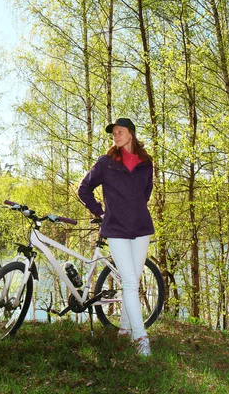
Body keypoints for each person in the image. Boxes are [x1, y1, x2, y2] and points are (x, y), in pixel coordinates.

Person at [78, 117, 155, 356]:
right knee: (130, 282)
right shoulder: (106, 163)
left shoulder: (146, 163)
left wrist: (134, 210)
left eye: (120, 131)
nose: (116, 135)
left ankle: (124, 329)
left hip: (141, 229)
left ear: (131, 133)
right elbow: (84, 189)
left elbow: (146, 193)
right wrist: (100, 211)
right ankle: (141, 339)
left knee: (132, 281)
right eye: (114, 133)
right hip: (117, 230)